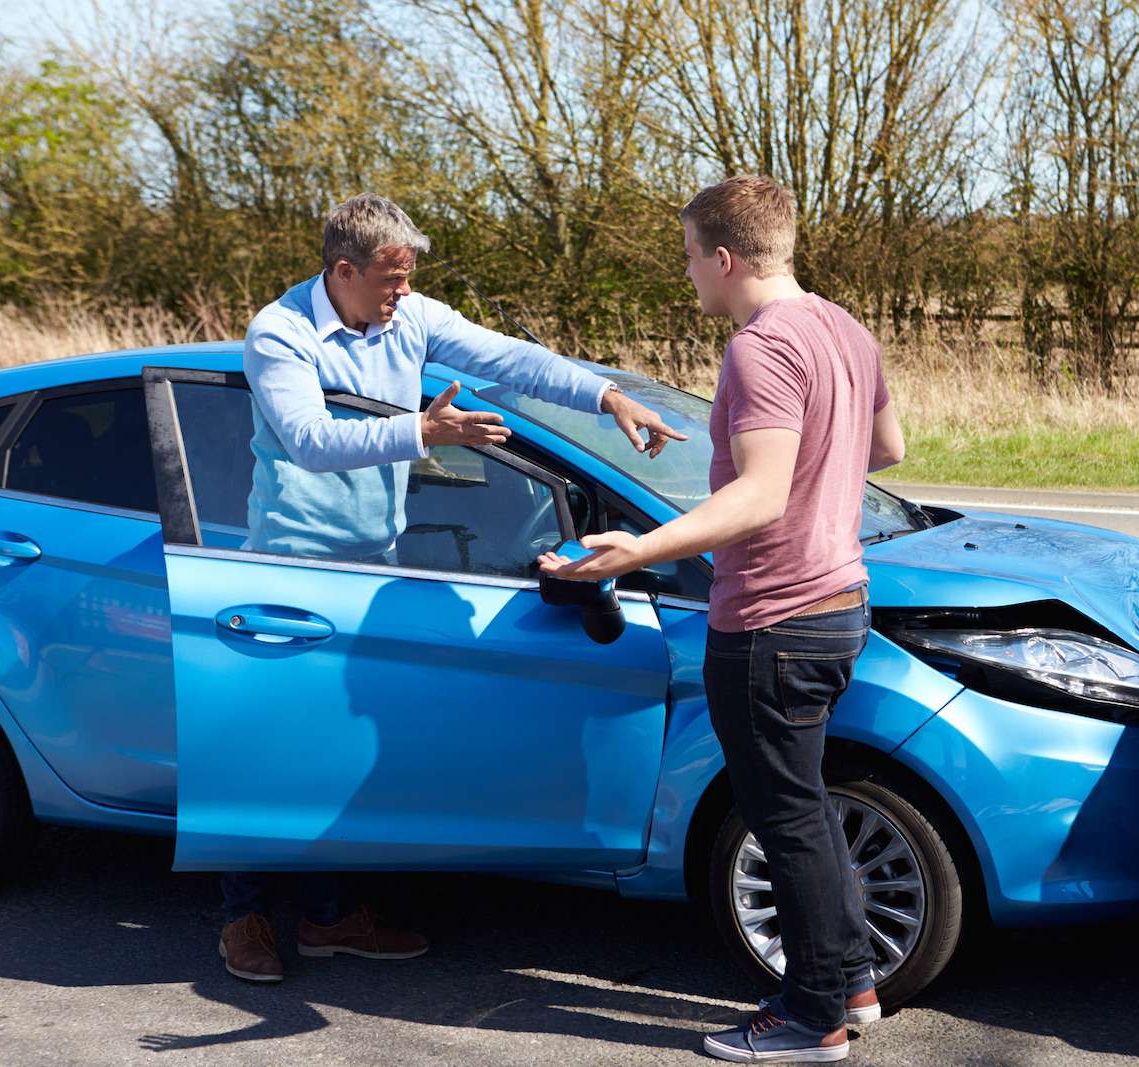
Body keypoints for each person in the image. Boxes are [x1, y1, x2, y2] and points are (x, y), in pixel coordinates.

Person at [218, 192, 685, 984]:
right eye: (391, 280)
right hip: (291, 570)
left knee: (350, 747)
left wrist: (606, 397)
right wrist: (424, 433)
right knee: (277, 748)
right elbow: (310, 440)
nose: (403, 294)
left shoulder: (410, 317)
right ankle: (243, 915)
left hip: (376, 562)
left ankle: (330, 915)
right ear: (343, 271)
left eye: (408, 280)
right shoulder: (280, 333)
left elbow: (509, 358)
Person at [538, 175, 905, 1063]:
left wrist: (639, 550)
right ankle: (851, 979)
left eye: (691, 254)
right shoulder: (843, 328)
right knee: (804, 804)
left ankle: (813, 1016)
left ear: (727, 256)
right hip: (839, 601)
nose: (688, 271)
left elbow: (761, 495)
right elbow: (887, 448)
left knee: (784, 815)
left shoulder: (760, 348)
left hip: (772, 617)